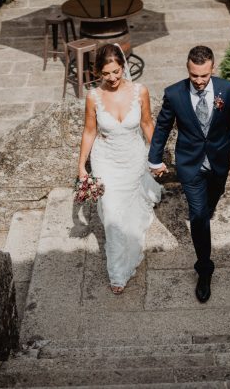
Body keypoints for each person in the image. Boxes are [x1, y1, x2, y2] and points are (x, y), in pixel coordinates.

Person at [148, 45, 230, 303]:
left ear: (212, 69)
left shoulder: (227, 89)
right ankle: (204, 269)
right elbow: (162, 127)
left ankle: (207, 208)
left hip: (219, 162)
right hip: (190, 165)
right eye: (194, 76)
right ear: (188, 70)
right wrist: (154, 158)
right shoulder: (174, 94)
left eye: (204, 76)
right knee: (199, 215)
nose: (200, 82)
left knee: (213, 199)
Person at [77, 43, 161, 294]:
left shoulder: (140, 91)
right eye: (106, 74)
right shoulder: (93, 97)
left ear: (123, 67)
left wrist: (155, 158)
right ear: (97, 73)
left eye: (116, 71)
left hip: (134, 156)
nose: (112, 78)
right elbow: (90, 130)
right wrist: (82, 165)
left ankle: (135, 230)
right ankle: (117, 273)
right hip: (106, 160)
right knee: (112, 214)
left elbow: (147, 124)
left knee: (131, 210)